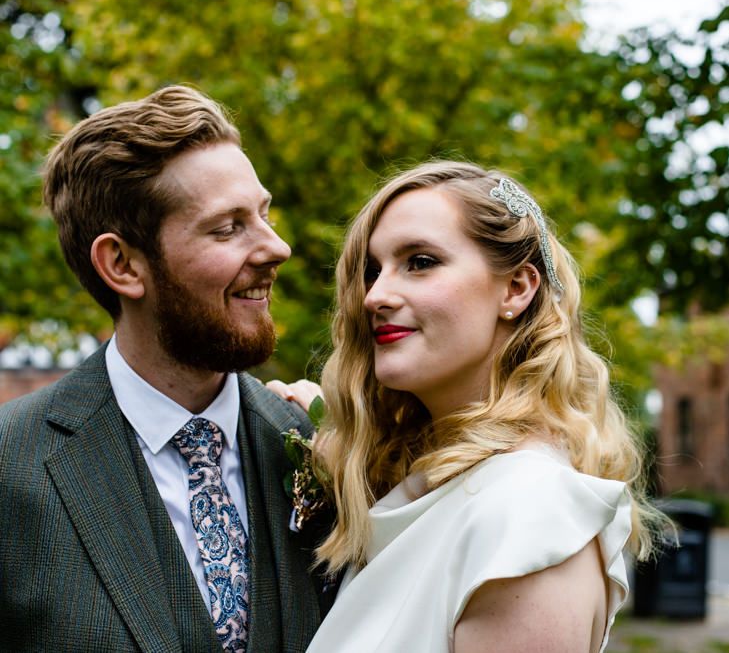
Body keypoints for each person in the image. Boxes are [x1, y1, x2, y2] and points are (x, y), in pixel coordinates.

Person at [274, 161, 661, 653]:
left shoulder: (529, 516)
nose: (375, 296)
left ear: (516, 289)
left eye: (420, 261)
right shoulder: (435, 489)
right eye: (373, 270)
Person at [0, 86, 334, 652]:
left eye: (264, 214)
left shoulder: (319, 446)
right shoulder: (12, 468)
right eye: (228, 227)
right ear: (123, 265)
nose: (277, 248)